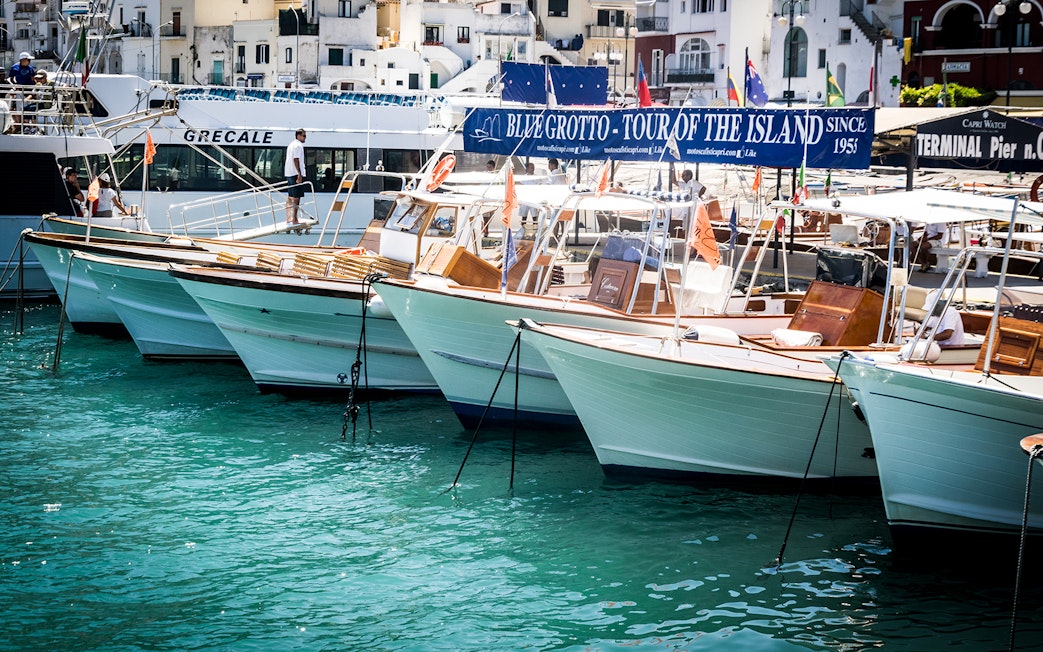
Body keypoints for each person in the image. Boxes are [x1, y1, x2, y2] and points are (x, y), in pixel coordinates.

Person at [284, 128, 307, 224]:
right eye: (304, 136)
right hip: (294, 173)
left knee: (290, 196)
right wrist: (299, 174)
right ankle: (295, 219)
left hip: (289, 173)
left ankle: (288, 218)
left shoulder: (291, 145)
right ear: (298, 135)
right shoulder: (298, 145)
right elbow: (296, 159)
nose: (305, 138)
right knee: (297, 197)